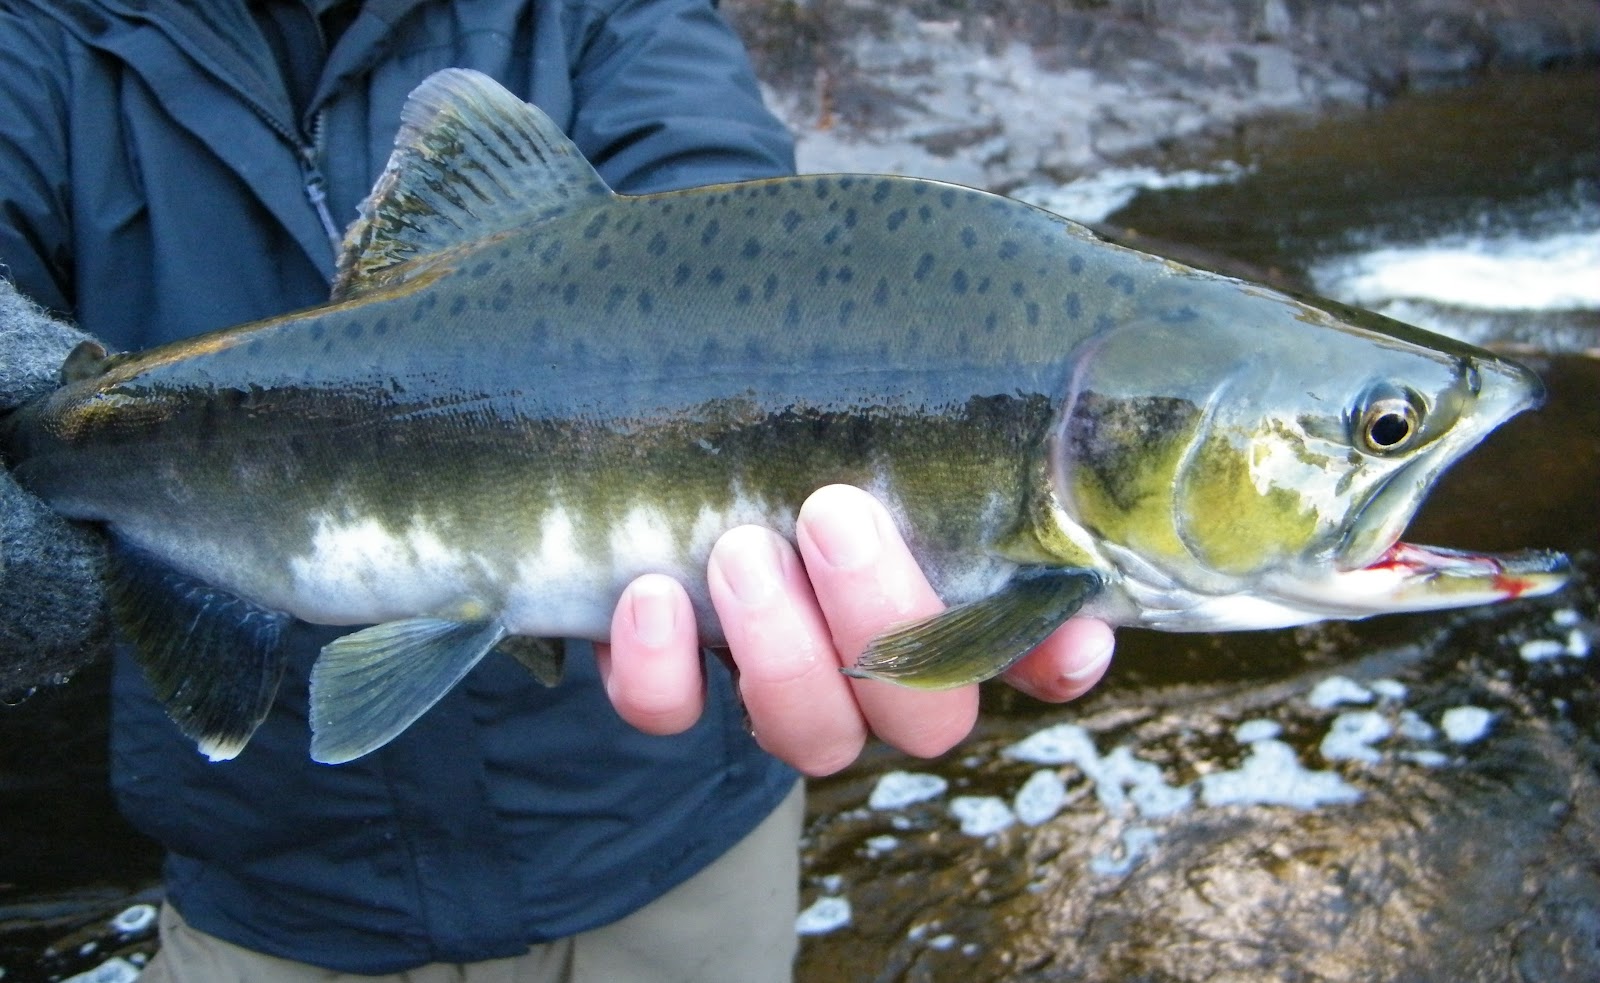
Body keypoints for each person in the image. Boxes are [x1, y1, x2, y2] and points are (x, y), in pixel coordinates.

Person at [0, 1, 1116, 980]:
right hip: (274, 894)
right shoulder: (38, 38)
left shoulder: (605, 9)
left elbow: (726, 205)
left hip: (669, 853)